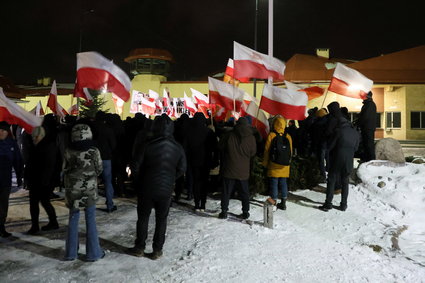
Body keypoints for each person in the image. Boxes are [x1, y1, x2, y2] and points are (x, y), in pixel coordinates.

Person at [128, 115, 186, 259]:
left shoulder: (147, 145)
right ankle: (157, 250)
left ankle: (140, 247)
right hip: (166, 189)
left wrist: (141, 180)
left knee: (143, 218)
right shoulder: (177, 147)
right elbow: (182, 168)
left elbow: (135, 166)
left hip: (146, 187)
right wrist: (171, 178)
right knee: (161, 220)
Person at [63, 124, 104, 261]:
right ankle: (93, 253)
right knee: (90, 219)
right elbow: (99, 169)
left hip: (72, 190)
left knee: (73, 219)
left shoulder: (68, 150)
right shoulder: (94, 150)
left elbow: (64, 168)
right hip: (89, 189)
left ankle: (70, 253)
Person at [218, 117, 256, 219]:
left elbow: (220, 147)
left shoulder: (229, 135)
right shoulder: (251, 137)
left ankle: (224, 211)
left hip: (229, 169)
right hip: (243, 171)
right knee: (244, 193)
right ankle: (245, 212)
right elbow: (253, 152)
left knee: (226, 192)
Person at [319, 117, 359, 212]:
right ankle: (343, 205)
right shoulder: (355, 133)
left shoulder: (338, 131)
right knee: (345, 182)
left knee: (331, 180)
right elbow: (356, 148)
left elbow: (330, 146)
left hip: (337, 159)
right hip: (349, 161)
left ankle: (328, 203)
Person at [25, 126, 60, 234]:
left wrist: (45, 181)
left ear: (42, 135)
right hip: (36, 179)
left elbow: (50, 166)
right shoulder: (35, 145)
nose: (34, 139)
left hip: (44, 181)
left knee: (44, 202)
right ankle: (36, 225)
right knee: (35, 203)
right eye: (33, 137)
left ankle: (52, 223)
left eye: (36, 137)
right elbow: (30, 163)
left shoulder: (48, 146)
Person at [263, 116, 292, 210]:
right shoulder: (288, 136)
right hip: (284, 165)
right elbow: (290, 152)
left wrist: (265, 164)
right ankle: (283, 203)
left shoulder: (271, 135)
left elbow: (267, 151)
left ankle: (274, 202)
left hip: (274, 164)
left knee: (274, 183)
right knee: (283, 183)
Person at [0, 122, 23, 237]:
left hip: (5, 181)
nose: (1, 132)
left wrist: (19, 177)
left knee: (3, 206)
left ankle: (1, 227)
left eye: (3, 130)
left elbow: (18, 161)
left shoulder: (11, 144)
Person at [94, 111, 117, 213]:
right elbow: (113, 145)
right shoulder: (108, 129)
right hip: (106, 158)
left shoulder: (92, 129)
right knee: (108, 181)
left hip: (93, 158)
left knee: (93, 181)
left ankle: (91, 205)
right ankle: (109, 205)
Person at [356, 91, 377, 162]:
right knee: (366, 145)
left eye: (363, 95)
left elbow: (365, 117)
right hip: (367, 128)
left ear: (367, 96)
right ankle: (366, 160)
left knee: (368, 146)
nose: (362, 97)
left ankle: (371, 161)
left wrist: (358, 123)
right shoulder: (368, 104)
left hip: (368, 128)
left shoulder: (369, 105)